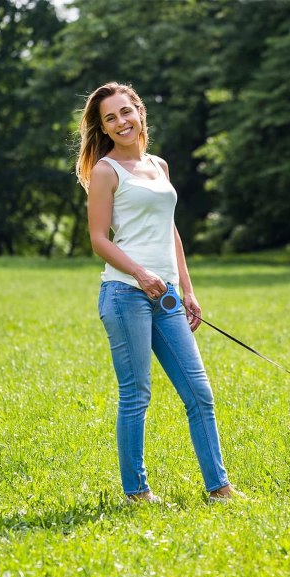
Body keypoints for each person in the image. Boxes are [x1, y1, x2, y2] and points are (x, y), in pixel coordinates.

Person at [75, 81, 243, 504]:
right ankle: (136, 491)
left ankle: (219, 488)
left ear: (140, 112)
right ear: (104, 129)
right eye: (110, 118)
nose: (121, 122)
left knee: (199, 392)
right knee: (136, 395)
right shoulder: (105, 171)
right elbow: (98, 239)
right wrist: (140, 273)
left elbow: (170, 231)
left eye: (125, 112)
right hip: (124, 293)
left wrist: (187, 289)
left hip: (165, 296)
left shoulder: (159, 166)